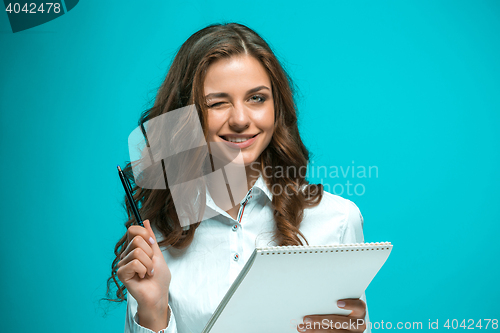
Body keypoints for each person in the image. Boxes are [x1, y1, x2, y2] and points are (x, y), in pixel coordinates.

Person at [106, 23, 370, 333]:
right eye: (218, 103)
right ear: (186, 114)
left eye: (257, 98)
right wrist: (152, 311)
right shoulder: (157, 239)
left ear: (277, 106)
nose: (241, 120)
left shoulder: (337, 220)